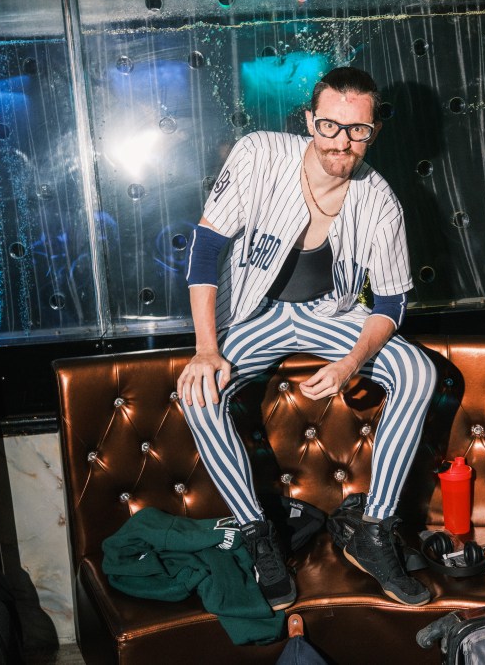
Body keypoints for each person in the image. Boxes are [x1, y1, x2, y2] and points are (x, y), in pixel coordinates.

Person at [178, 66, 436, 610]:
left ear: (374, 131)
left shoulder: (380, 201)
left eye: (357, 130)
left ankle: (373, 528)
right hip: (253, 313)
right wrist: (206, 349)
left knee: (419, 370)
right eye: (329, 126)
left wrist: (351, 363)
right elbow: (205, 247)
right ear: (308, 121)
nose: (342, 141)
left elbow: (390, 304)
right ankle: (257, 535)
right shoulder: (259, 154)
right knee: (196, 394)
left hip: (330, 313)